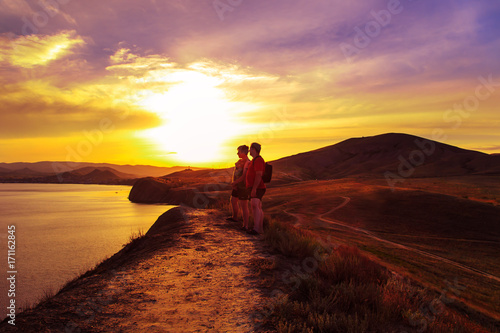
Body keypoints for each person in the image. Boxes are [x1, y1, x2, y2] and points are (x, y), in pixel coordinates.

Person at [227, 145, 251, 230]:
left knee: (244, 206)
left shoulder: (247, 162)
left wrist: (234, 182)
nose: (237, 153)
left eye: (239, 151)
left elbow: (244, 176)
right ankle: (235, 217)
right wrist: (234, 184)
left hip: (243, 187)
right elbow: (236, 173)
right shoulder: (240, 161)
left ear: (244, 152)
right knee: (233, 200)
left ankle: (245, 225)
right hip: (237, 185)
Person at [246, 142, 266, 235]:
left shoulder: (258, 160)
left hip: (257, 187)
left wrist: (254, 188)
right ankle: (260, 229)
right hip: (256, 186)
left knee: (254, 205)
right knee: (257, 206)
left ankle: (256, 229)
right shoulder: (254, 160)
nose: (249, 150)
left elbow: (259, 174)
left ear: (254, 149)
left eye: (250, 149)